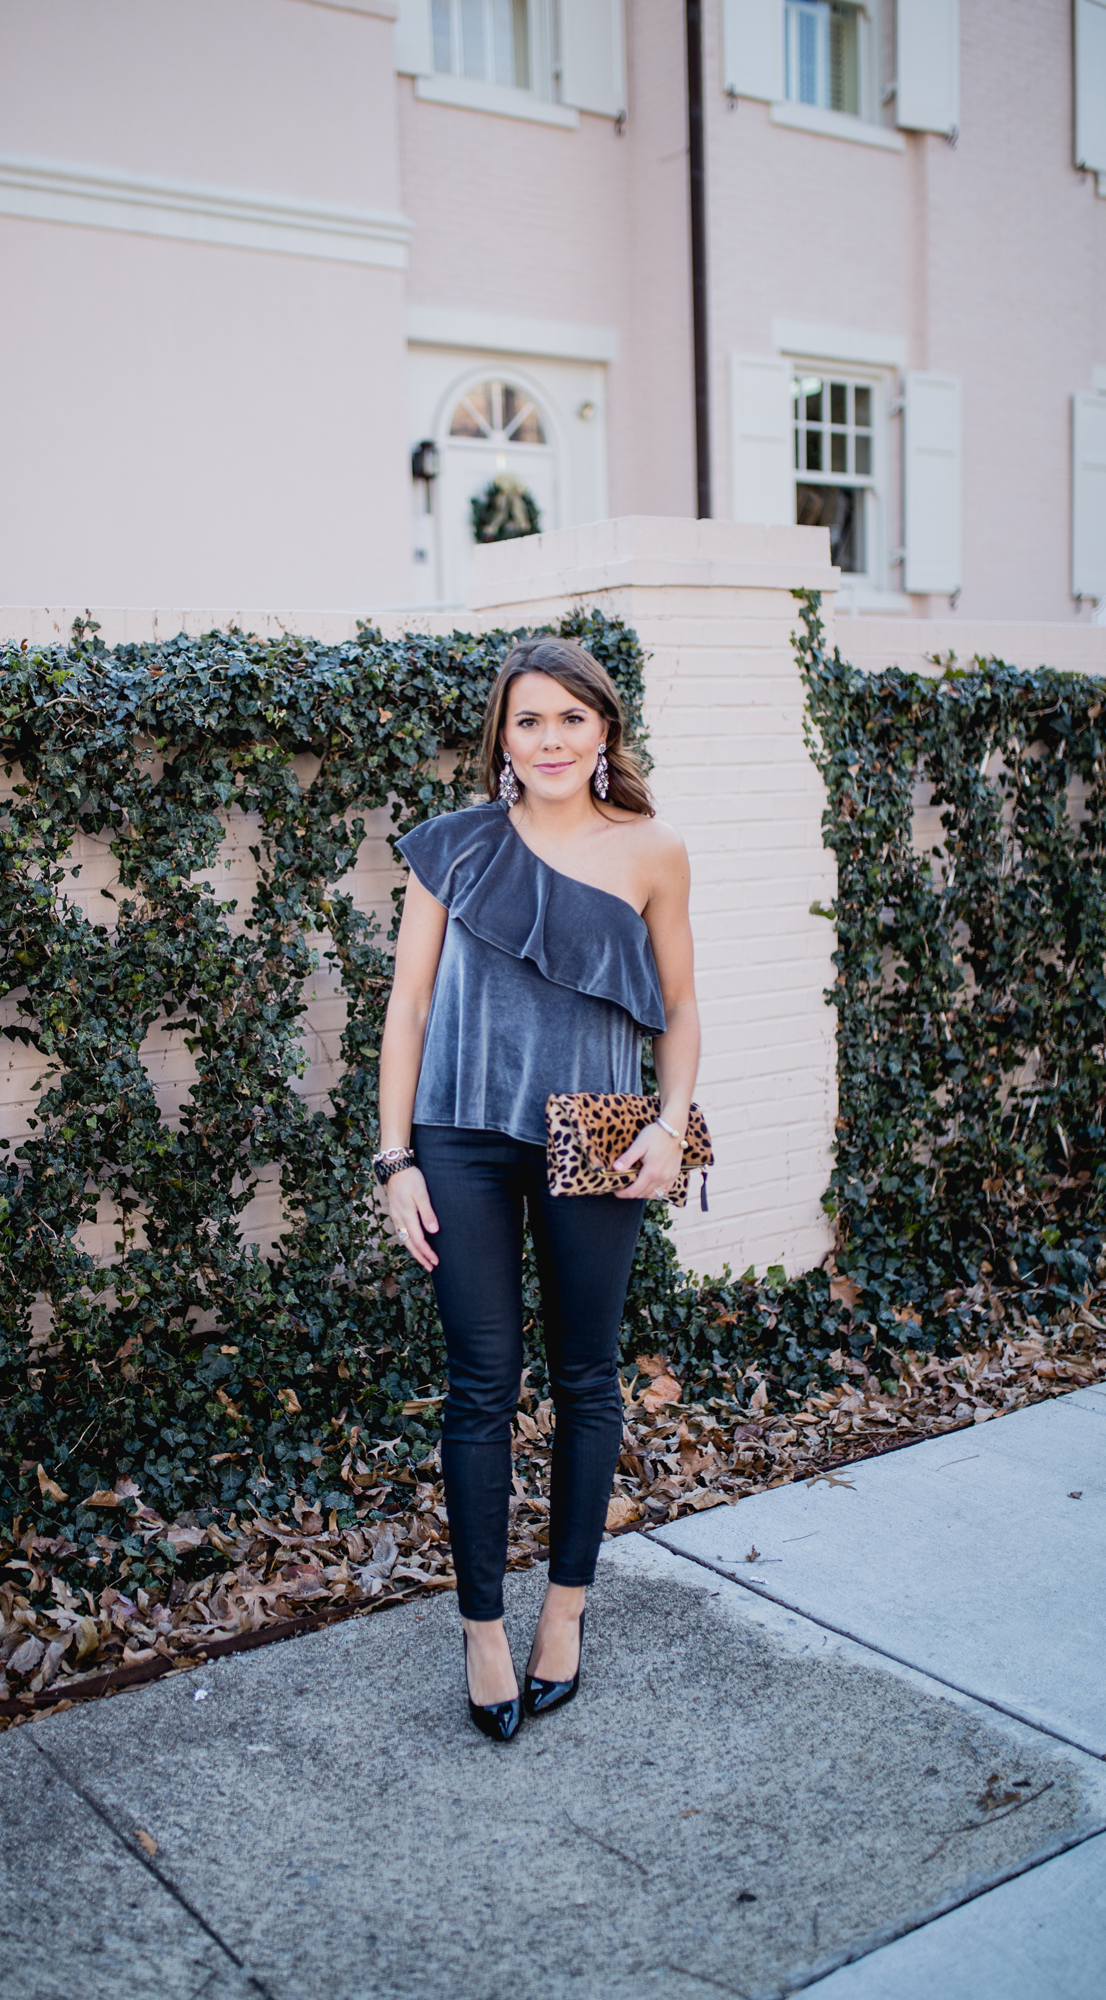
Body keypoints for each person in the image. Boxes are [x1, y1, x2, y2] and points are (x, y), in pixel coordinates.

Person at [374, 636, 700, 1742]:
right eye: (528, 720)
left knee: (584, 1376)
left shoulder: (653, 849)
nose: (550, 737)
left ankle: (564, 1610)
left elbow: (681, 1009)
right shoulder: (454, 846)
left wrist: (667, 1123)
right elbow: (408, 1009)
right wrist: (394, 1158)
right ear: (501, 738)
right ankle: (480, 1629)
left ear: (604, 729)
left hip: (598, 1137)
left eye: (570, 717)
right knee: (480, 1382)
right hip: (458, 1135)